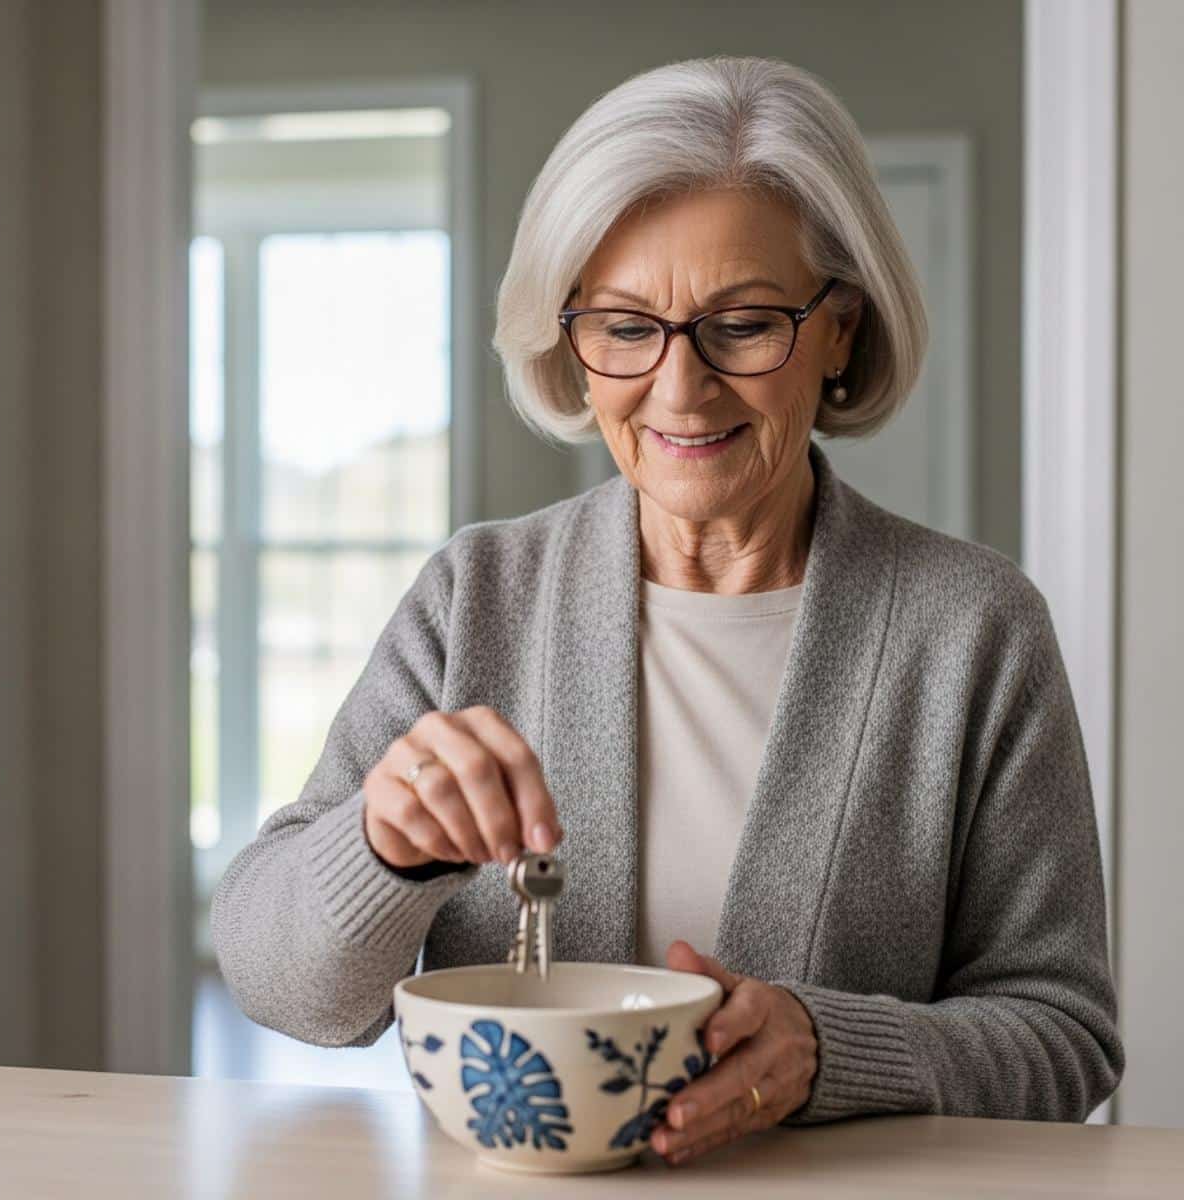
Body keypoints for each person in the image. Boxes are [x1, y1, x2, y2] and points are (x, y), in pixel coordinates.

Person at [211, 55, 1123, 1166]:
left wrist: (828, 1051)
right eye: (626, 326)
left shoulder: (975, 630)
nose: (679, 389)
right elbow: (276, 981)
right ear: (572, 345)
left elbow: (1064, 1036)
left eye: (742, 326)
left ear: (838, 328)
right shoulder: (477, 597)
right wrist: (380, 847)